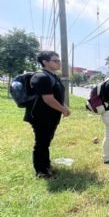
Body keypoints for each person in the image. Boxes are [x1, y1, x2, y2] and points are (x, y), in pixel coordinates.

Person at [24, 51, 71, 179]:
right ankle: (41, 172)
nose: (59, 63)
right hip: (41, 116)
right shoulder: (41, 77)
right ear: (45, 62)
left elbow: (56, 96)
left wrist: (64, 107)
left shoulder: (52, 76)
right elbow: (48, 99)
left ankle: (46, 165)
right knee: (41, 143)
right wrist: (63, 109)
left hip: (50, 116)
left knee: (46, 142)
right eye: (55, 60)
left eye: (59, 60)